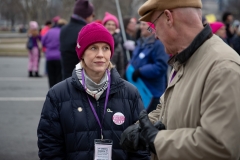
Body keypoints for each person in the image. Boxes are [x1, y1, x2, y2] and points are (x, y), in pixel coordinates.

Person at [120, 0, 240, 159]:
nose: (155, 33)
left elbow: (219, 146)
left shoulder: (222, 67)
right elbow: (166, 110)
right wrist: (141, 128)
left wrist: (156, 140)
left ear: (169, 18)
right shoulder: (184, 59)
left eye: (154, 25)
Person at [37, 22, 150, 160]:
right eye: (93, 48)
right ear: (82, 53)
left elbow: (140, 148)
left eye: (106, 48)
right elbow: (49, 148)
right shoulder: (57, 95)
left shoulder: (130, 93)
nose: (100, 55)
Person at [128, 21, 169, 113]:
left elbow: (161, 66)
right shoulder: (141, 42)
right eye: (141, 24)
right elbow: (135, 60)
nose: (141, 27)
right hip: (140, 90)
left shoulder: (158, 44)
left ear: (151, 28)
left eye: (144, 24)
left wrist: (141, 71)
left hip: (152, 93)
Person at [60, 0, 94, 80]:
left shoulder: (64, 29)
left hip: (66, 77)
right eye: (92, 15)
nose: (92, 17)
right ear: (86, 15)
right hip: (81, 78)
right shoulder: (84, 31)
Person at [42, 19, 67, 88]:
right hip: (59, 57)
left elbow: (43, 42)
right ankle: (58, 93)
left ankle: (51, 91)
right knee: (59, 77)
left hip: (49, 56)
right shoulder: (63, 32)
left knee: (51, 77)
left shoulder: (50, 31)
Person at [102, 12, 125, 78]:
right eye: (108, 24)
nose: (111, 27)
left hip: (113, 78)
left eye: (113, 25)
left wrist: (119, 80)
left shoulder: (118, 44)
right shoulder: (98, 41)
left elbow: (121, 66)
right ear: (104, 25)